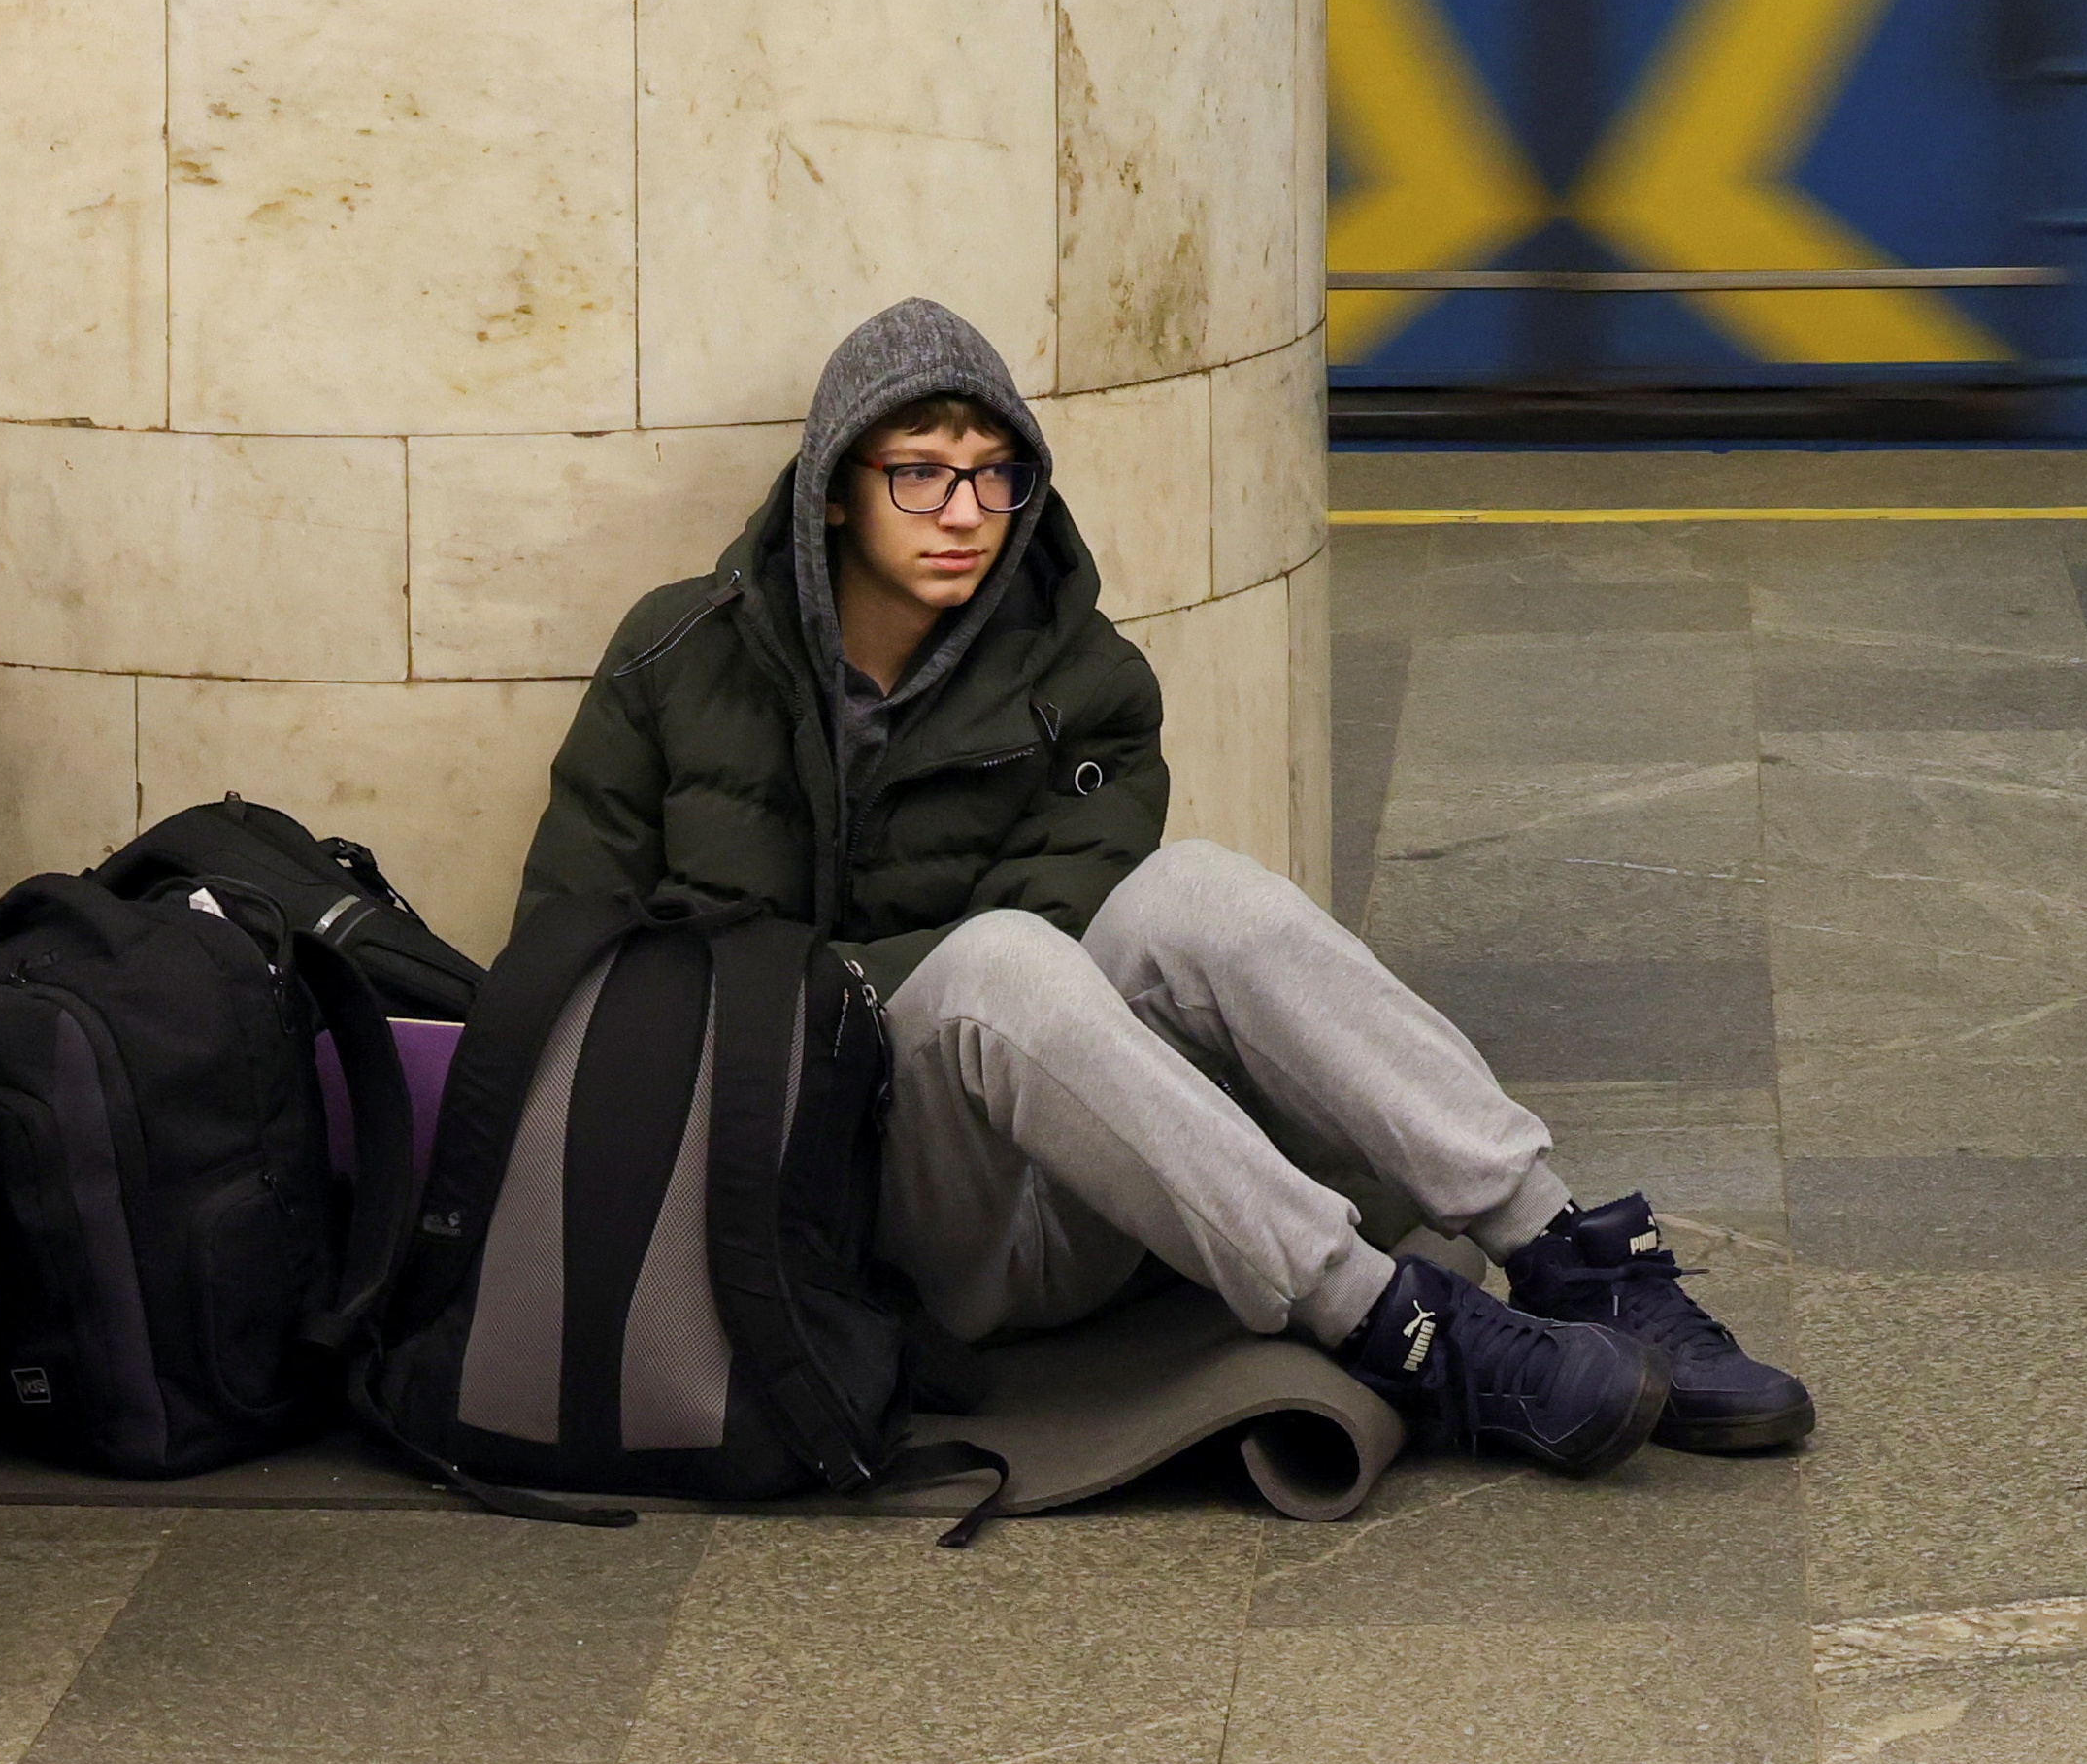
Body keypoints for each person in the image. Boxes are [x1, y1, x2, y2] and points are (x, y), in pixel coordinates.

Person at [516, 300, 1812, 1474]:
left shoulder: (1084, 682)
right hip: (834, 1208)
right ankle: (1401, 1329)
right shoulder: (673, 659)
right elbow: (569, 950)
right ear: (832, 494)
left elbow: (1079, 947)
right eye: (918, 472)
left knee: (1186, 891)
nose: (965, 511)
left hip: (1074, 1178)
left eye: (991, 472)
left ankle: (1561, 1252)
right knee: (993, 961)